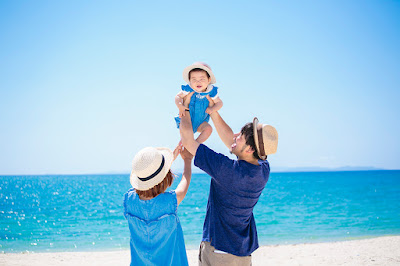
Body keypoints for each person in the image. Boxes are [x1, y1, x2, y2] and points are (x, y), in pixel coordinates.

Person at [179, 95, 278, 266]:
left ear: (249, 149)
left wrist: (185, 109)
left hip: (219, 251)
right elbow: (232, 142)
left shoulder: (227, 170)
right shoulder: (263, 170)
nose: (235, 135)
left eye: (241, 136)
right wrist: (214, 113)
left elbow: (188, 141)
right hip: (242, 252)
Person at [123, 143, 193, 266]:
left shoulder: (129, 200)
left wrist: (169, 161)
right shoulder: (170, 202)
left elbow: (150, 179)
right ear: (165, 176)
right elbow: (185, 181)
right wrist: (187, 160)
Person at [174, 62, 223, 143]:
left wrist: (212, 109)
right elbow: (178, 96)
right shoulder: (188, 89)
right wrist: (180, 106)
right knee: (184, 139)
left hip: (201, 122)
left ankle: (196, 144)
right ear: (190, 81)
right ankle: (183, 144)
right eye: (194, 79)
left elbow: (219, 103)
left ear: (209, 80)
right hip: (187, 119)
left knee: (208, 129)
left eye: (202, 79)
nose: (198, 82)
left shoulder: (210, 91)